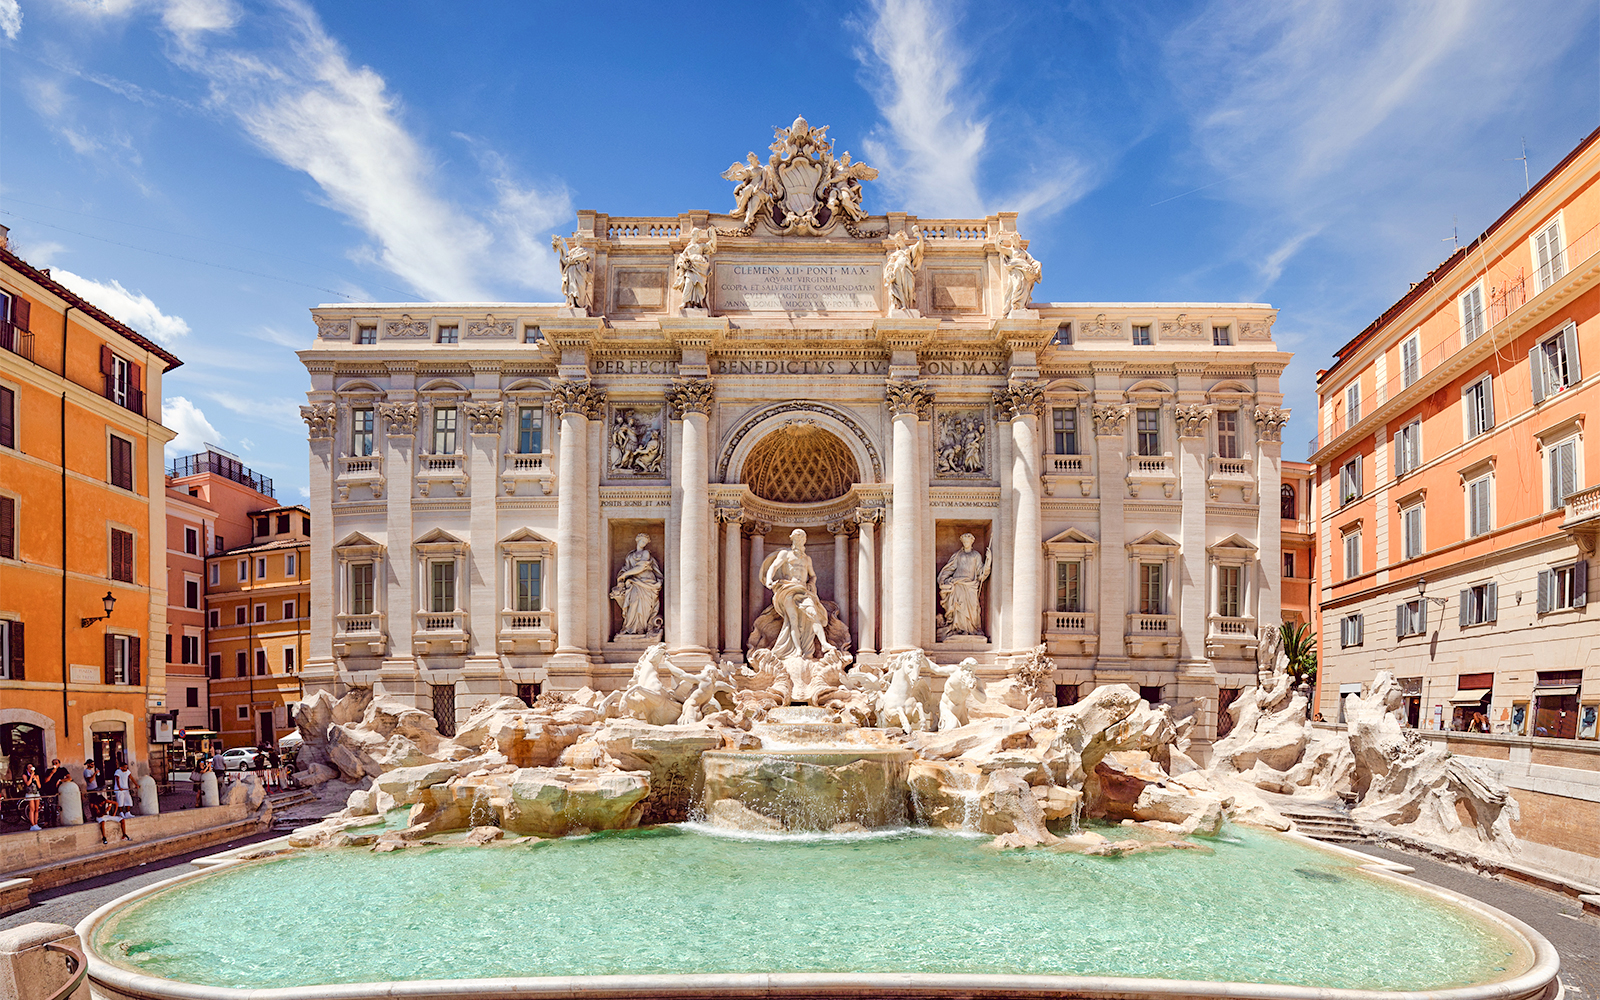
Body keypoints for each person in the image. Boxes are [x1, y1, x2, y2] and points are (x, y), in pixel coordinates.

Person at [20, 763, 42, 831]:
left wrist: (36, 779)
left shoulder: (36, 775)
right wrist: (31, 776)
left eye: (31, 766)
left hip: (36, 793)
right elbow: (27, 783)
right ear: (27, 769)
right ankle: (32, 824)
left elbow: (39, 786)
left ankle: (36, 823)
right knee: (31, 809)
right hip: (30, 793)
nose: (31, 768)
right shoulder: (25, 775)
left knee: (36, 809)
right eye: (29, 767)